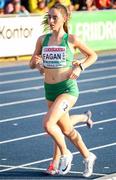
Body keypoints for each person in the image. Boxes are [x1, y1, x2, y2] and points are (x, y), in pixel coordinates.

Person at [29, 3, 97, 177]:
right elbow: (32, 63)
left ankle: (66, 153)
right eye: (49, 17)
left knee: (48, 124)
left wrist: (80, 67)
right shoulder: (42, 39)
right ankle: (88, 157)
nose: (51, 21)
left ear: (64, 18)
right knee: (66, 130)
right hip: (49, 90)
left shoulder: (71, 39)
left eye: (55, 17)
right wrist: (36, 63)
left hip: (67, 89)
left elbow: (93, 55)